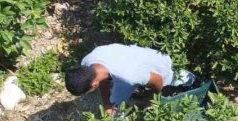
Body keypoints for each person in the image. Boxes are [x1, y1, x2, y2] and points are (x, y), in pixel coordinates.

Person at [64, 44, 192, 115]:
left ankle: (188, 79)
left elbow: (157, 80)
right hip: (132, 62)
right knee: (114, 102)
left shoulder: (129, 75)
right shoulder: (87, 62)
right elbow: (101, 80)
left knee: (173, 77)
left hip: (159, 64)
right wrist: (107, 104)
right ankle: (116, 112)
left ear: (93, 85)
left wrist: (151, 99)